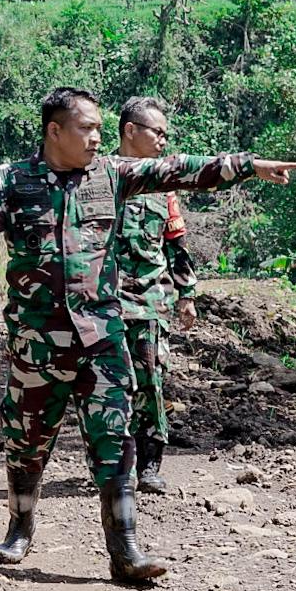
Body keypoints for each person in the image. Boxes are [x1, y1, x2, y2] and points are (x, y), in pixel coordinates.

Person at [0, 87, 296, 583]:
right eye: (86, 128)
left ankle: (125, 551)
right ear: (55, 130)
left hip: (102, 337)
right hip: (37, 341)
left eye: (100, 128)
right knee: (25, 442)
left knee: (115, 439)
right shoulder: (12, 180)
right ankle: (20, 524)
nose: (98, 137)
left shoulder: (113, 175)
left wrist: (248, 166)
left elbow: (180, 169)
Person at [113, 96, 198, 495]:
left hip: (149, 300)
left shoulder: (164, 187)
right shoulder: (100, 178)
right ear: (131, 130)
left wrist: (187, 295)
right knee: (110, 385)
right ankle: (118, 462)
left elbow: (175, 245)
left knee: (150, 379)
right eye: (156, 132)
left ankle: (149, 464)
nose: (163, 140)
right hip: (104, 301)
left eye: (166, 134)